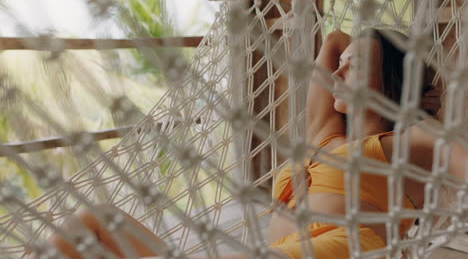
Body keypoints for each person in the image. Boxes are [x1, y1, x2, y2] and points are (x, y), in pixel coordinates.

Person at [28, 29, 465, 259]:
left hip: (347, 248)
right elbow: (333, 40)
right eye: (342, 69)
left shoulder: (403, 142)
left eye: (355, 68)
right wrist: (360, 54)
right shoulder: (325, 137)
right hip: (272, 252)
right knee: (95, 219)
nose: (338, 74)